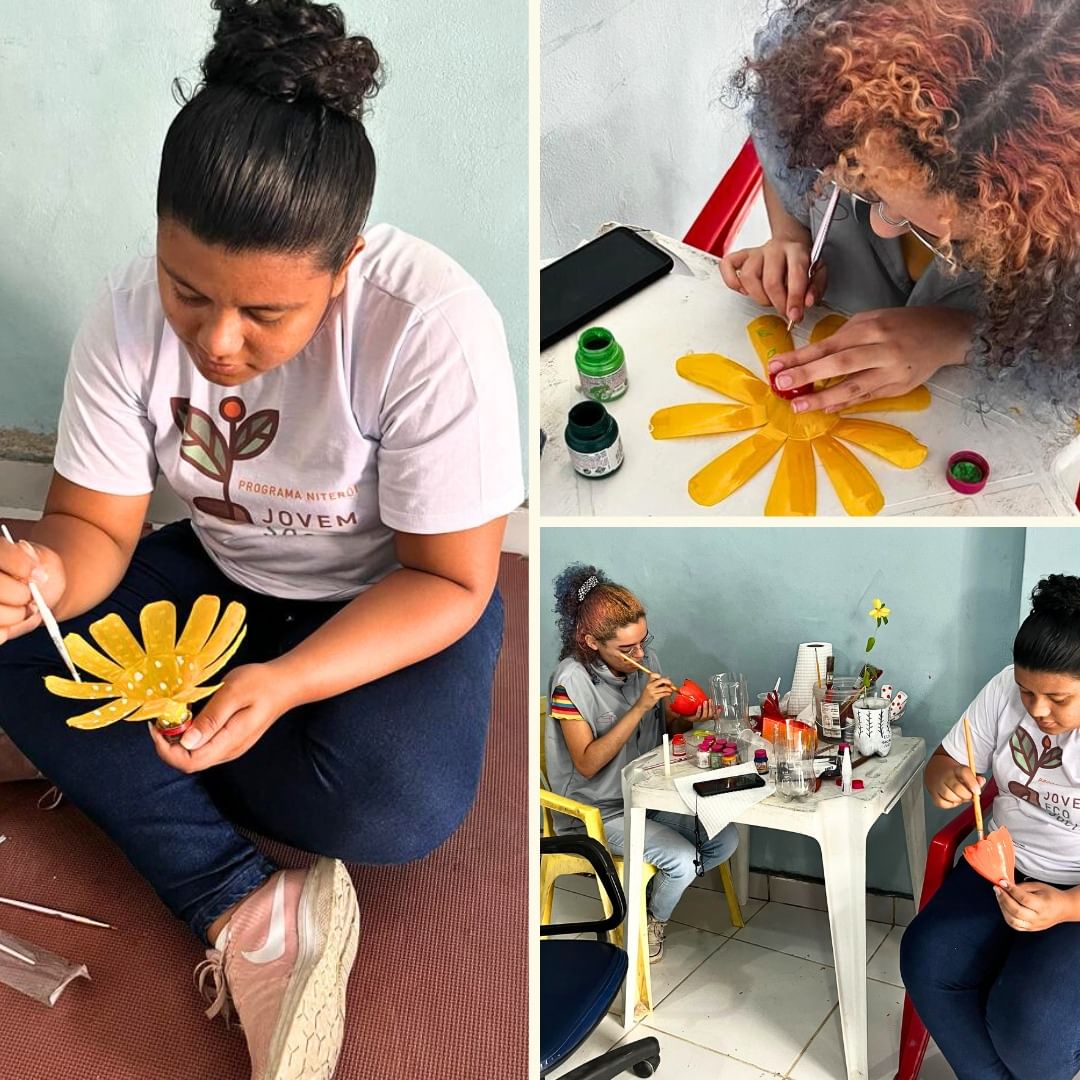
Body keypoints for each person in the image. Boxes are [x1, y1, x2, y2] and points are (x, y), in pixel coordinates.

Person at [0, 2, 522, 1077]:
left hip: (392, 602)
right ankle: (243, 905)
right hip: (225, 581)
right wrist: (46, 573)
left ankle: (108, 760)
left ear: (345, 265)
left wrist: (284, 685)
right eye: (187, 292)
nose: (218, 343)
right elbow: (94, 526)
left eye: (265, 315)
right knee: (17, 644)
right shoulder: (125, 313)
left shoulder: (431, 326)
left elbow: (450, 579)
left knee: (399, 805)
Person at [721, 0, 1080, 417]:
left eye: (939, 236)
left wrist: (956, 336)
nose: (883, 227)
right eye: (865, 183)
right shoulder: (841, 87)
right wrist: (789, 235)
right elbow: (782, 146)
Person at [899, 575, 1080, 1080]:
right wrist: (944, 780)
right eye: (1027, 692)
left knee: (1034, 1034)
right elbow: (944, 762)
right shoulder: (1005, 688)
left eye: (1058, 698)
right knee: (927, 961)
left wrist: (1065, 907)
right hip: (1001, 863)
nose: (1037, 710)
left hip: (1076, 893)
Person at [545, 564, 738, 962]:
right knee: (682, 860)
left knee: (725, 839)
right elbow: (586, 764)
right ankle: (651, 920)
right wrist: (639, 707)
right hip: (597, 812)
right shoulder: (570, 681)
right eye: (627, 649)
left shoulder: (646, 663)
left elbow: (660, 730)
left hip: (647, 796)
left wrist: (688, 719)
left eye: (642, 642)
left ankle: (648, 897)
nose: (640, 655)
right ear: (591, 642)